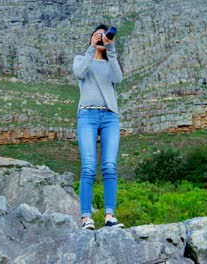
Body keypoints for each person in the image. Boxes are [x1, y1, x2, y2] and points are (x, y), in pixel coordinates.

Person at [73, 24, 124, 230]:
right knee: (88, 167)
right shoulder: (81, 59)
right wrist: (91, 49)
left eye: (104, 37)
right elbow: (79, 73)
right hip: (87, 115)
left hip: (110, 117)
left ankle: (109, 215)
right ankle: (86, 218)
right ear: (90, 39)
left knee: (110, 166)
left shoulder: (111, 61)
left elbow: (118, 78)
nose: (101, 39)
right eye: (97, 36)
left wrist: (110, 50)